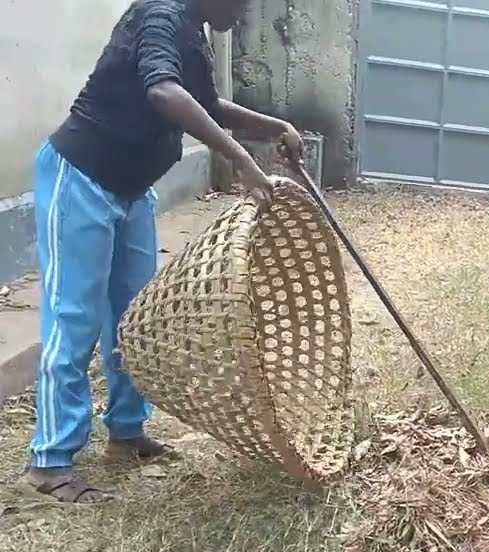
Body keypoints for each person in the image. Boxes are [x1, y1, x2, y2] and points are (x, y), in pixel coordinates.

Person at [26, 0, 303, 503]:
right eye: (242, 3)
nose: (244, 14)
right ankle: (51, 459)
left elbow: (206, 105)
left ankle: (127, 430)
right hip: (81, 179)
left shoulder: (192, 31)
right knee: (74, 317)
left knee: (134, 317)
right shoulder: (159, 14)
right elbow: (163, 91)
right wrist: (239, 156)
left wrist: (272, 127)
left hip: (131, 190)